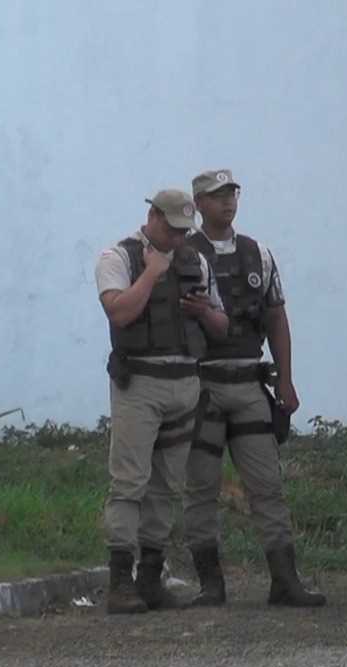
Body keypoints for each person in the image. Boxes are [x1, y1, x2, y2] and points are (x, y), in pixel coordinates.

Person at [181, 168, 325, 608]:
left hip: (248, 381)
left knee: (268, 485)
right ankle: (211, 584)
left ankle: (285, 580)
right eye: (216, 196)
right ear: (199, 204)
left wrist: (286, 378)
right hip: (202, 384)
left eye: (232, 194)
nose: (227, 202)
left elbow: (276, 316)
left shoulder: (258, 253)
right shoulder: (183, 254)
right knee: (200, 487)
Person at [94, 188, 230, 614]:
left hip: (185, 381)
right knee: (129, 483)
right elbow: (118, 313)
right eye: (171, 229)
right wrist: (152, 274)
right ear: (152, 216)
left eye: (183, 230)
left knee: (167, 486)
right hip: (141, 382)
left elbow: (222, 326)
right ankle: (120, 581)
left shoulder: (196, 261)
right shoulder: (118, 256)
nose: (178, 238)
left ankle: (150, 577)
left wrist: (204, 311)